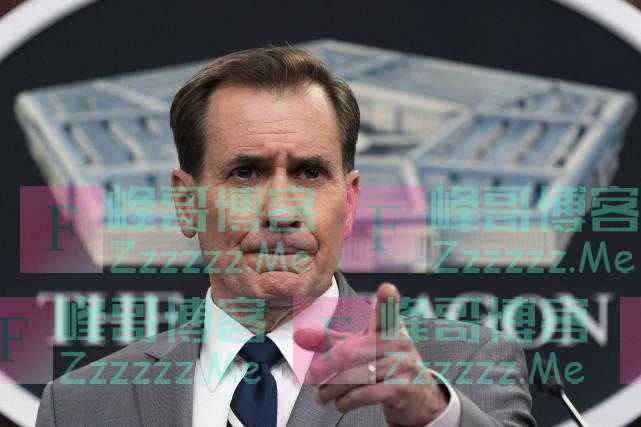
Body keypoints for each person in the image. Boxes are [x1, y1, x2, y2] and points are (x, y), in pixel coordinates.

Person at [36, 46, 536, 427]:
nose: (280, 211)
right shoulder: (81, 404)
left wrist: (431, 416)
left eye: (310, 173)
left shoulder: (462, 368)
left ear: (350, 201)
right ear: (187, 203)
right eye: (246, 173)